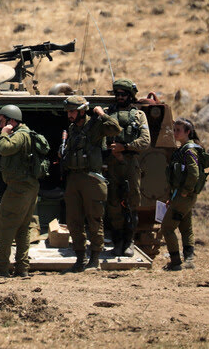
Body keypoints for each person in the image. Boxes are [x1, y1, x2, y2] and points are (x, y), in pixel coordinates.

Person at [61, 95, 121, 273]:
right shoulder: (72, 129)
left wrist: (102, 114)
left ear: (82, 111)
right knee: (73, 221)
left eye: (72, 111)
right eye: (68, 112)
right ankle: (80, 258)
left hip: (92, 179)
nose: (69, 115)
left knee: (94, 220)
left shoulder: (96, 125)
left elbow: (115, 129)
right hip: (74, 178)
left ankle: (95, 259)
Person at [0, 105, 38, 277]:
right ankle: (22, 268)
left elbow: (4, 148)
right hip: (27, 187)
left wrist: (3, 134)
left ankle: (0, 266)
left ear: (12, 121)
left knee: (5, 225)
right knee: (22, 228)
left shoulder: (20, 135)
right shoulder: (26, 134)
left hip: (18, 187)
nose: (1, 125)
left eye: (3, 122)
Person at [104, 79, 151, 257]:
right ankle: (118, 242)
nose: (120, 97)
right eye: (117, 94)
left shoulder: (138, 115)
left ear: (130, 96)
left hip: (130, 163)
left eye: (124, 94)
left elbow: (145, 141)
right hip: (112, 163)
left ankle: (129, 242)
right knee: (114, 204)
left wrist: (125, 147)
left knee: (132, 204)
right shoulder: (108, 113)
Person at [162, 118, 201, 271]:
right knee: (186, 227)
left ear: (188, 132)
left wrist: (185, 191)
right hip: (182, 196)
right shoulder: (183, 149)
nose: (175, 133)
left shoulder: (188, 150)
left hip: (184, 196)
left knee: (167, 228)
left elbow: (194, 173)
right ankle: (189, 260)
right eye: (174, 130)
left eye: (178, 130)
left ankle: (176, 261)